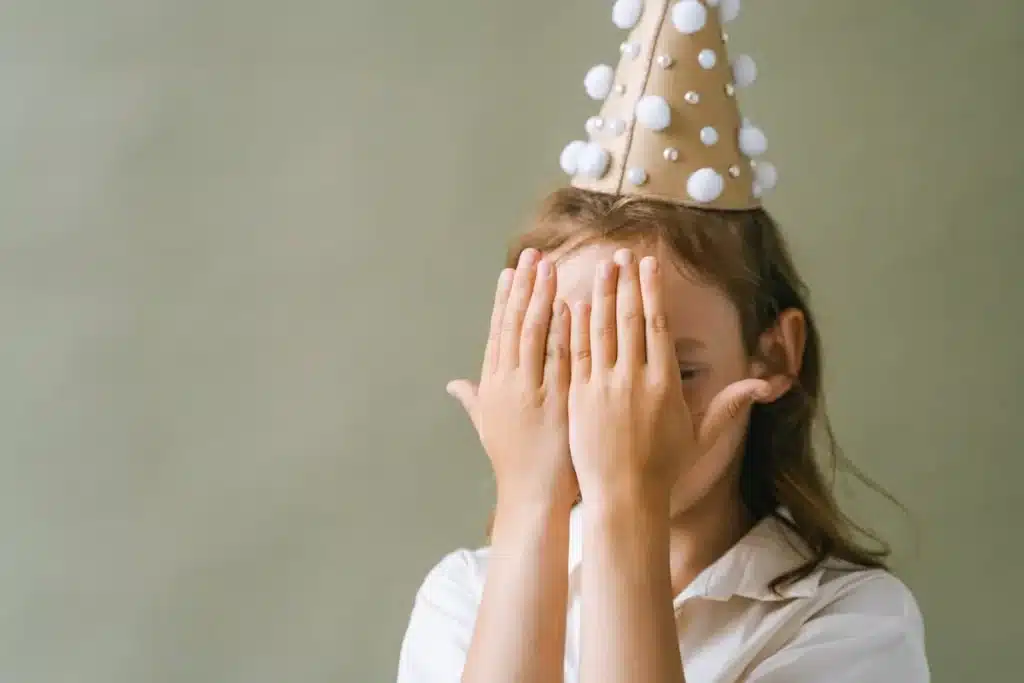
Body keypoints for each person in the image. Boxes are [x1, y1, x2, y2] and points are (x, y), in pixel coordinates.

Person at [397, 3, 929, 682]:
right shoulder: (465, 598)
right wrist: (531, 500)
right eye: (565, 369)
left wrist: (626, 506)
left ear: (773, 353)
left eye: (668, 370)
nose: (607, 417)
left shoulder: (849, 622)